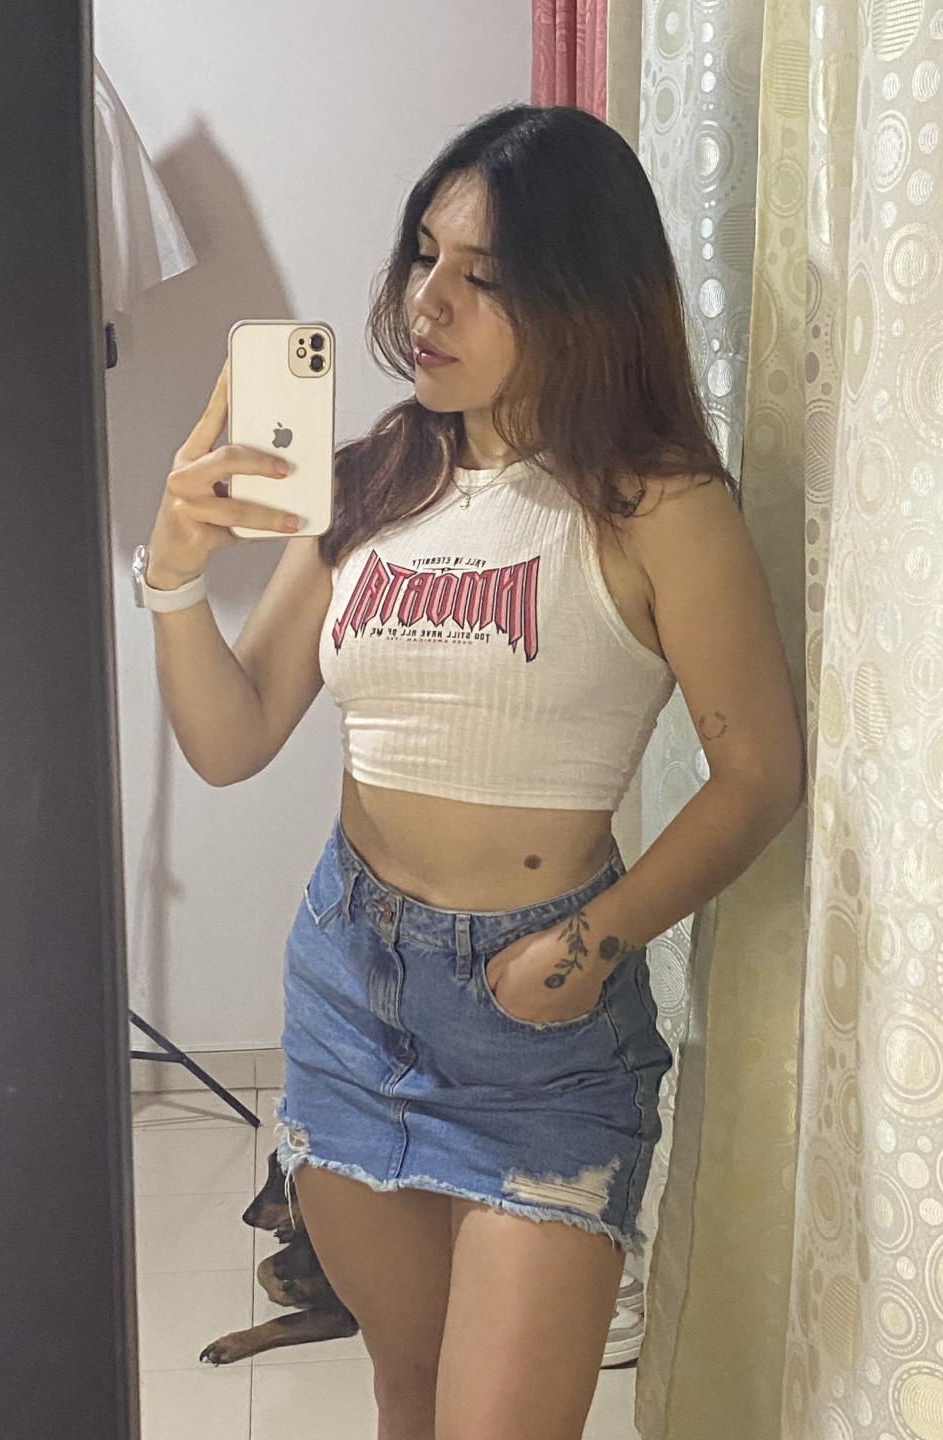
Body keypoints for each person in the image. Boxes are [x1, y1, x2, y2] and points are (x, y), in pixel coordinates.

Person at [141, 104, 801, 1440]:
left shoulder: (657, 503)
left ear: (585, 297)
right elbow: (234, 737)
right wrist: (173, 572)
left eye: (484, 277)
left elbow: (758, 771)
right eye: (423, 256)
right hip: (350, 988)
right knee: (406, 1388)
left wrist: (594, 944)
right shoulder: (370, 480)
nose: (427, 301)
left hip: (538, 1026)